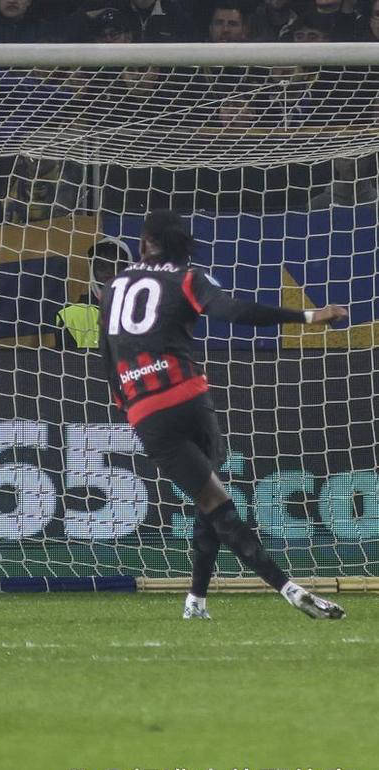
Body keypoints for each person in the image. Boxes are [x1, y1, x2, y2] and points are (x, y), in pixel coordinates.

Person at [98, 210, 347, 621]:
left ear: (143, 243)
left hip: (146, 409)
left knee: (211, 500)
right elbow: (233, 311)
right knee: (211, 498)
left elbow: (107, 353)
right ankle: (201, 599)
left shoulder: (113, 286)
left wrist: (125, 402)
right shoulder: (188, 278)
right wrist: (306, 316)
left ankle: (274, 590)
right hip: (188, 396)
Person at [53, 236, 132, 350]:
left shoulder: (146, 313)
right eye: (101, 266)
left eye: (116, 266)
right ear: (92, 270)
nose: (109, 272)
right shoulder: (71, 317)